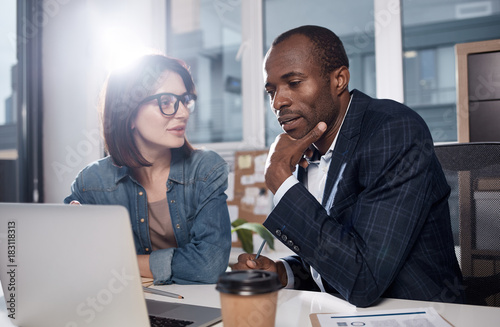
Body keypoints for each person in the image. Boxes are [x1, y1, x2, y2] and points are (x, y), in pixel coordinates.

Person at [233, 25, 465, 307]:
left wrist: (281, 181)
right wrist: (283, 272)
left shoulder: (392, 132)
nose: (278, 102)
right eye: (271, 91)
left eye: (293, 83)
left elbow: (363, 278)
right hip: (340, 314)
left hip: (420, 313)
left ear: (339, 79)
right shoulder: (310, 147)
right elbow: (336, 249)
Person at [64, 54, 231, 285]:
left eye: (184, 100)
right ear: (128, 115)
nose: (183, 112)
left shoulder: (205, 170)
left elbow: (209, 265)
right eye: (166, 102)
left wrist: (122, 263)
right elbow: (72, 261)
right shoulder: (91, 182)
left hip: (192, 306)